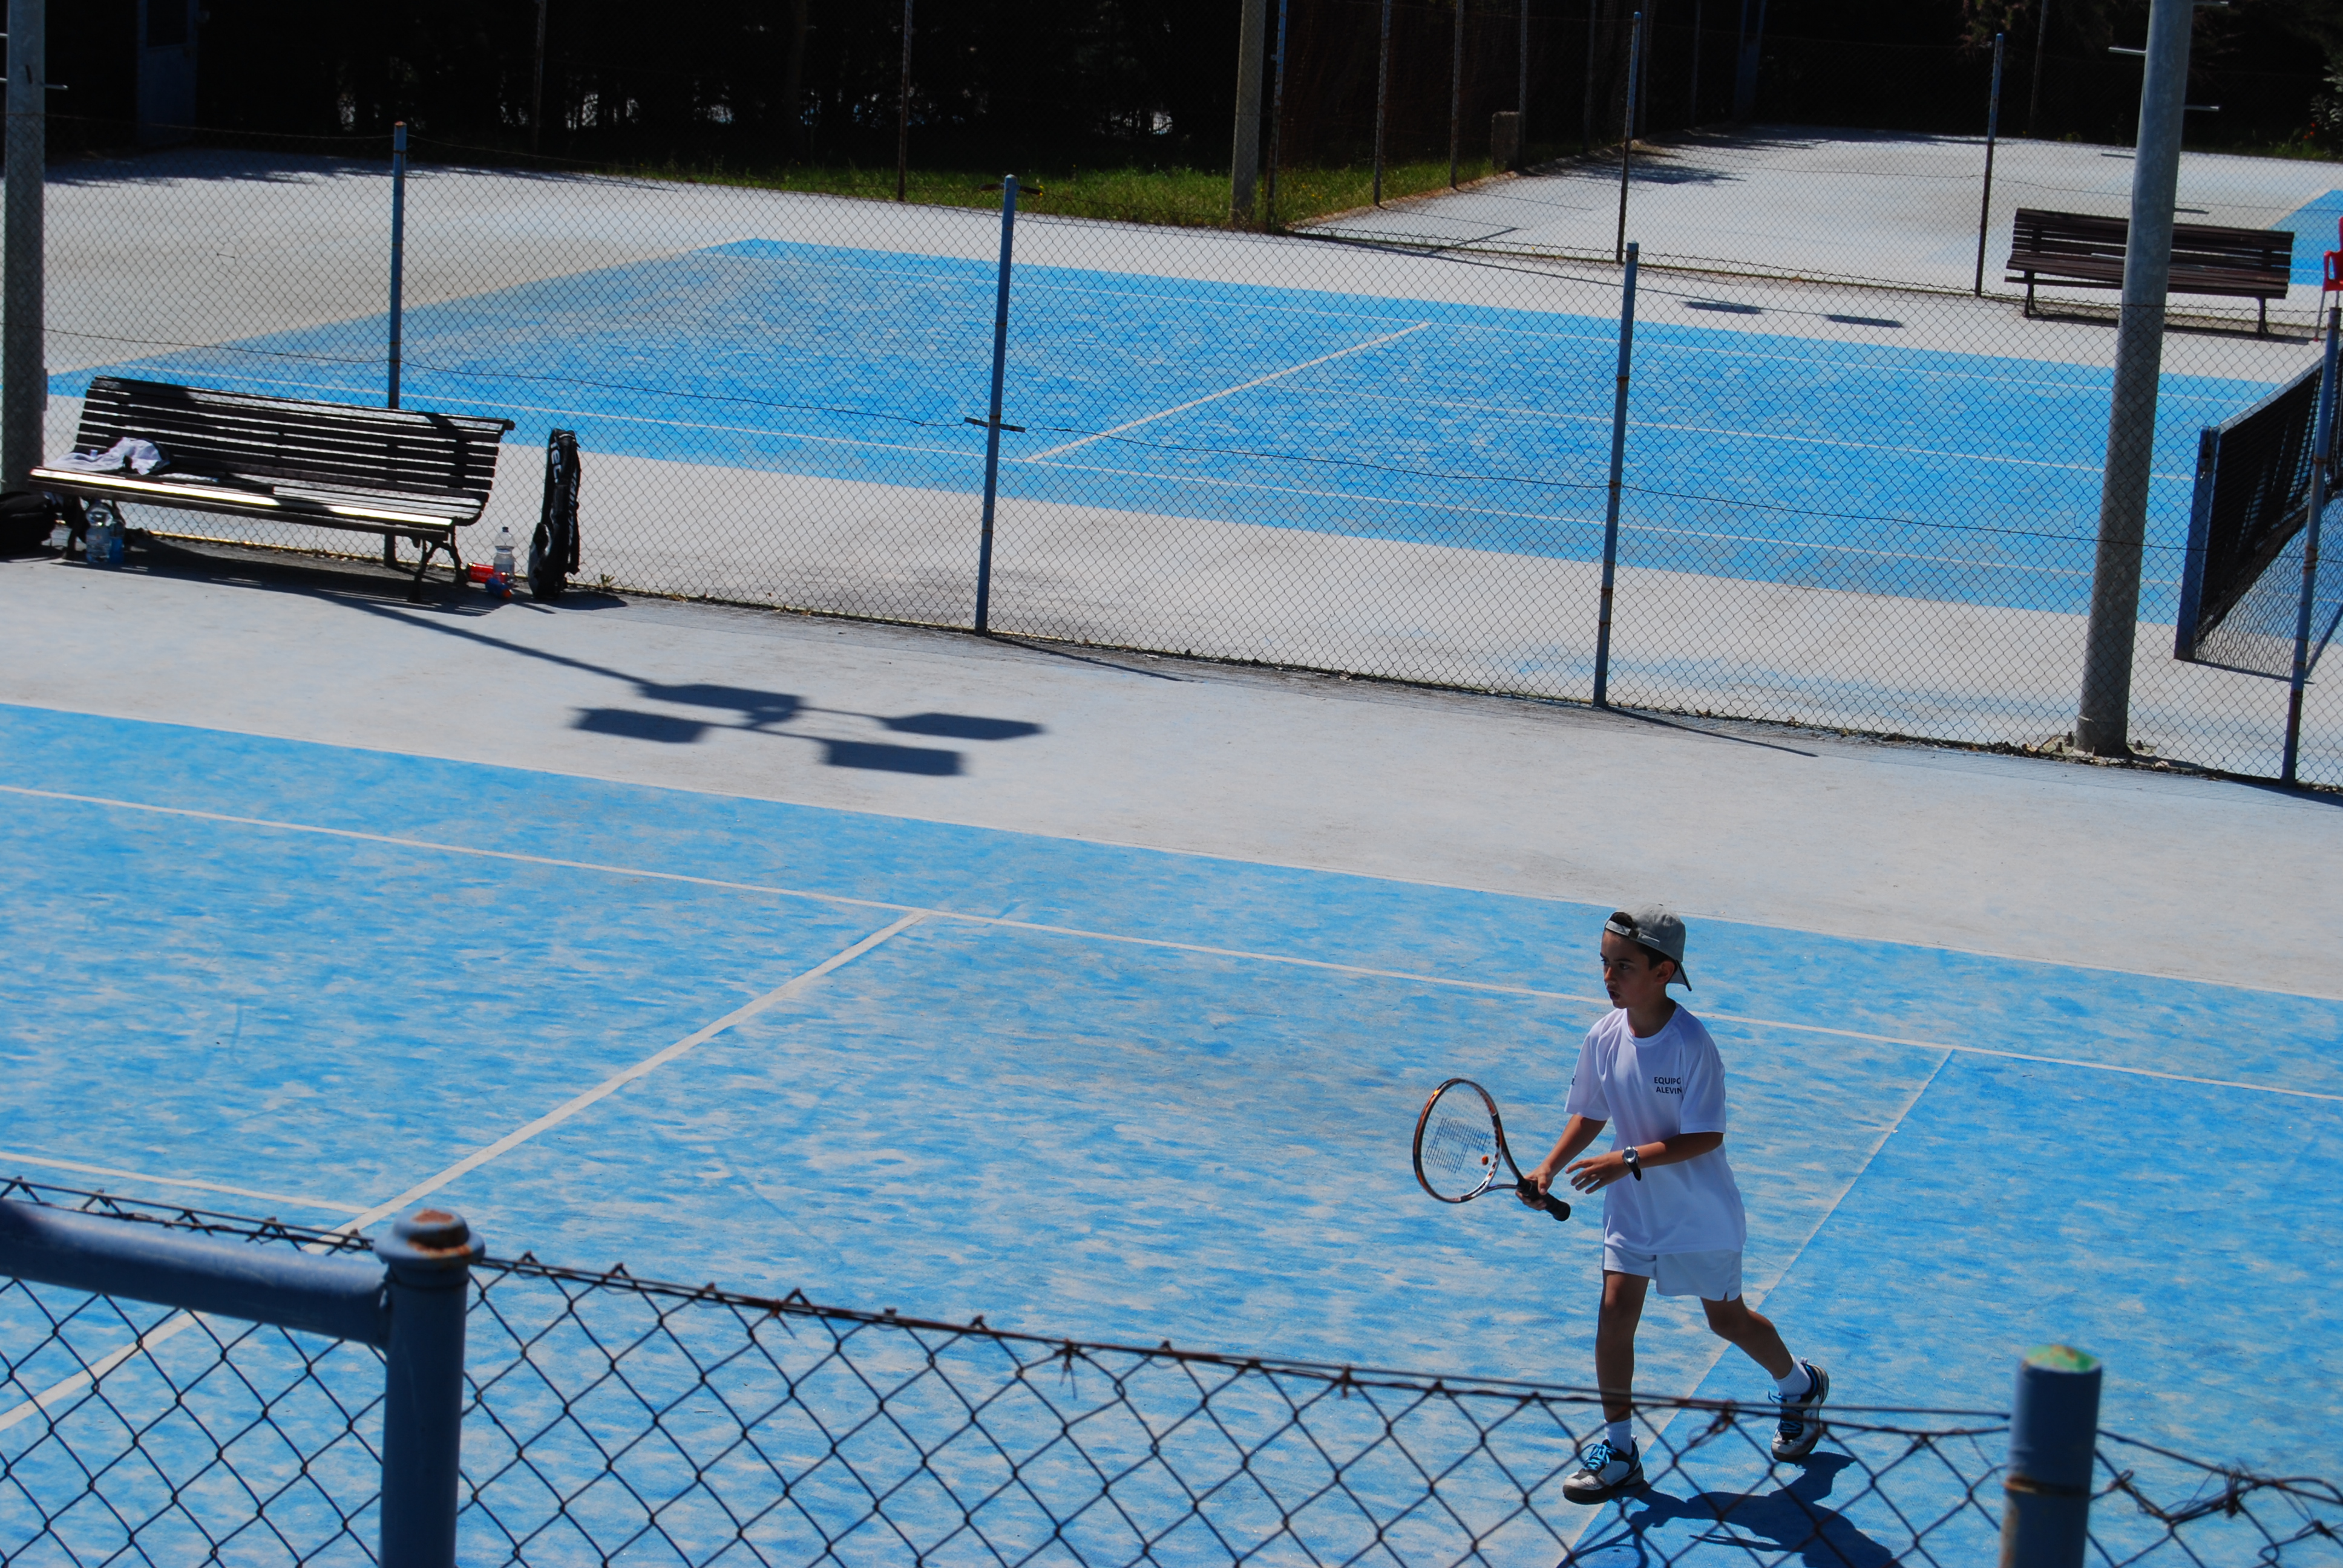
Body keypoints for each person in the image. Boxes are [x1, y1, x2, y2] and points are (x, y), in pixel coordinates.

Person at [1527, 906, 1828, 1504]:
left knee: (1727, 1321)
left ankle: (1799, 1386)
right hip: (1633, 1214)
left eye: (1623, 966)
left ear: (1663, 972)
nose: (1608, 977)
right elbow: (1590, 1113)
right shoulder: (1603, 1036)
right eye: (1604, 963)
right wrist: (1548, 1167)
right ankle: (1620, 1450)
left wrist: (1626, 1159)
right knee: (1614, 1316)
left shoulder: (1691, 1044)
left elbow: (1705, 1135)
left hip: (1698, 1213)